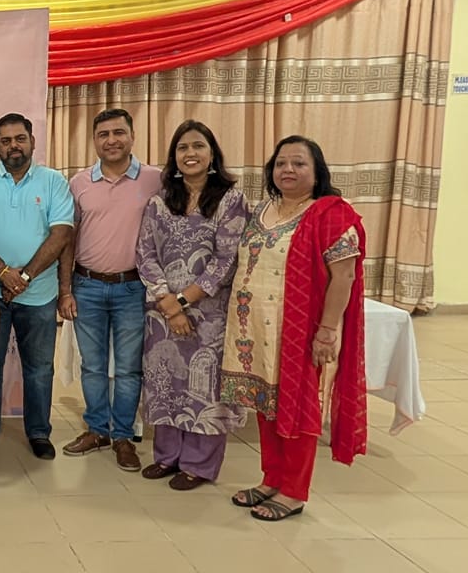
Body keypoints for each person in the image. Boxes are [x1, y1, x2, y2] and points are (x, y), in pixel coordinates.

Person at [220, 136, 369, 522]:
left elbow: (344, 277)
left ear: (317, 171)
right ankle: (272, 478)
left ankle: (294, 491)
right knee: (267, 404)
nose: (288, 170)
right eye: (281, 163)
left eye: (299, 163)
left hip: (299, 332)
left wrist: (327, 331)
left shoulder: (330, 214)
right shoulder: (265, 209)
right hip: (255, 331)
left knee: (298, 408)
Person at [136, 122, 248, 490]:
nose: (190, 154)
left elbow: (226, 260)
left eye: (198, 146)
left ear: (212, 153)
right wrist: (167, 302)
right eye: (182, 148)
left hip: (209, 313)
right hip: (162, 311)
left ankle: (198, 464)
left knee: (204, 385)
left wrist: (183, 301)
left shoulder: (231, 200)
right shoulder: (160, 201)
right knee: (165, 379)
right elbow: (145, 253)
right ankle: (167, 456)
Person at [0, 113, 75, 460]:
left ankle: (39, 432)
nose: (13, 145)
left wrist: (24, 277)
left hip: (39, 295)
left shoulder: (53, 182)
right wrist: (2, 271)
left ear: (32, 141)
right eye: (6, 140)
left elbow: (62, 233)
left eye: (20, 138)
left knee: (39, 369)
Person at [60, 109, 165, 468]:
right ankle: (96, 429)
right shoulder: (79, 182)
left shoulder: (154, 179)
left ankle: (122, 436)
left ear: (132, 136)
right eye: (103, 134)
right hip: (87, 285)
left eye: (119, 132)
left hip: (132, 288)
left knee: (128, 368)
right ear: (94, 141)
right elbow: (68, 239)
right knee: (92, 366)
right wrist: (66, 289)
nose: (111, 140)